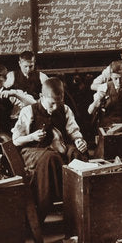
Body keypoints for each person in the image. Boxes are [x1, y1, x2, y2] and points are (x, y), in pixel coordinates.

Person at [11, 77, 87, 226]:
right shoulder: (29, 111)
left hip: (59, 148)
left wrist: (79, 141)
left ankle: (79, 205)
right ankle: (53, 203)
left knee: (77, 154)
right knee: (51, 158)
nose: (55, 107)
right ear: (41, 97)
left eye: (59, 102)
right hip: (33, 151)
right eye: (51, 103)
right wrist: (32, 136)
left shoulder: (64, 110)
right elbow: (16, 140)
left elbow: (73, 131)